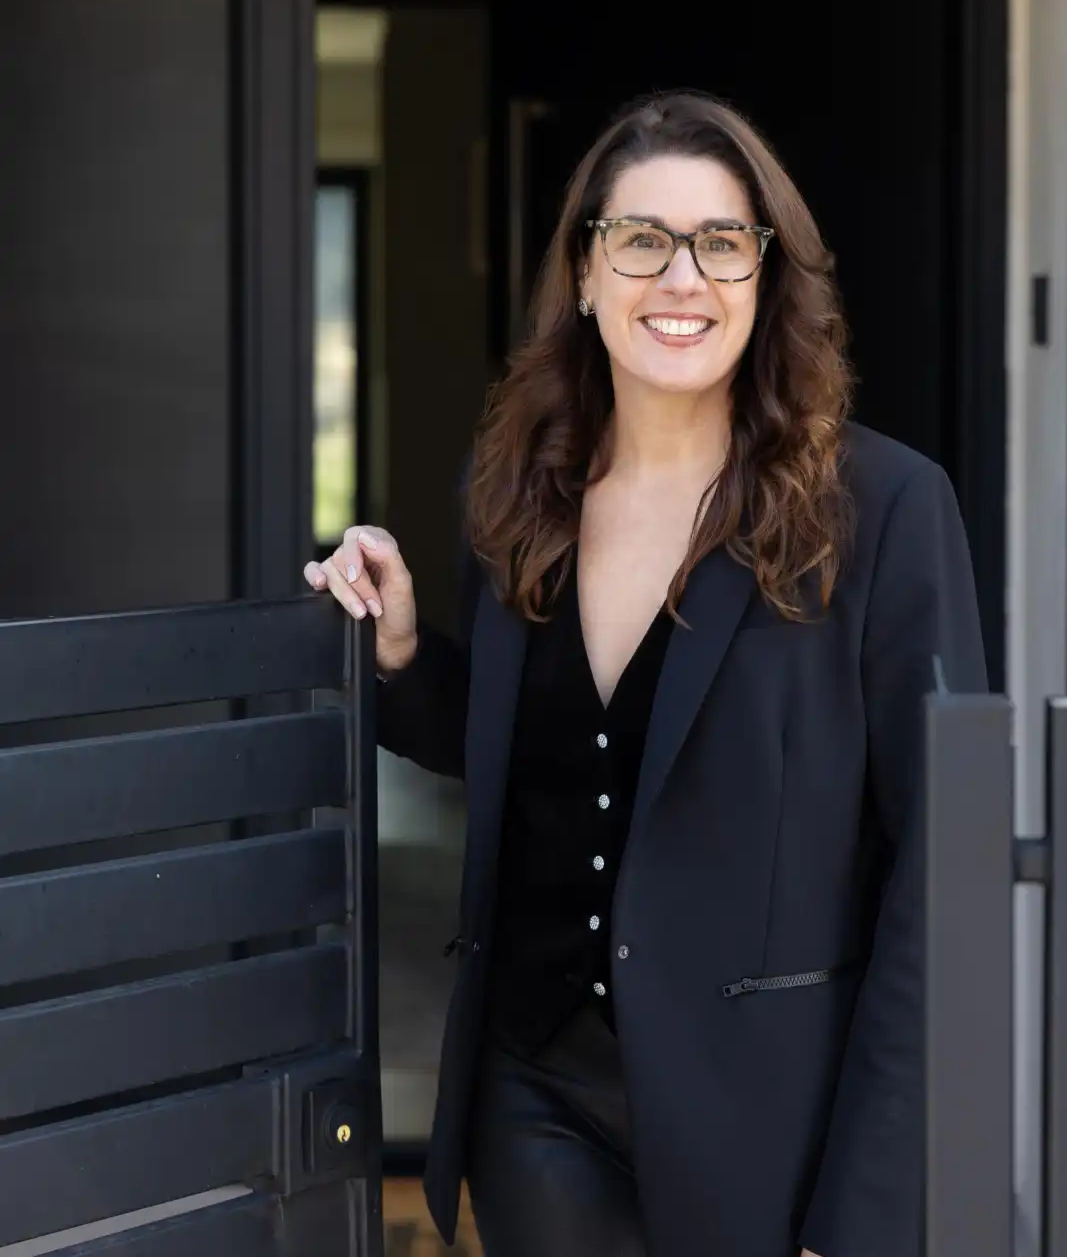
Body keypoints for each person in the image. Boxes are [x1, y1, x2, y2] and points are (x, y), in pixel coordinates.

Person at [304, 89, 984, 1257]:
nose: (682, 278)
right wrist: (405, 654)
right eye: (641, 240)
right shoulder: (522, 484)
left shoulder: (885, 509)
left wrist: (870, 1204)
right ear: (584, 272)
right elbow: (563, 749)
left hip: (770, 1121)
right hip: (537, 1090)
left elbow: (946, 870)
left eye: (722, 243)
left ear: (768, 278)